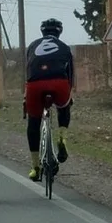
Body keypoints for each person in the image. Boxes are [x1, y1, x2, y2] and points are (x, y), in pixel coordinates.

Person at [23, 18, 74, 182]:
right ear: (60, 32)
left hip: (35, 85)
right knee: (64, 106)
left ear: (42, 32)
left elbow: (28, 70)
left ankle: (35, 167)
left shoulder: (32, 45)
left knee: (33, 122)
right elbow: (70, 74)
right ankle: (62, 137)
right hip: (59, 83)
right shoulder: (65, 47)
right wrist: (68, 92)